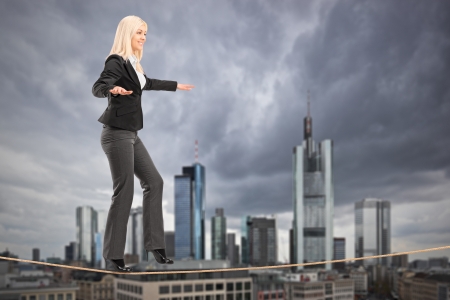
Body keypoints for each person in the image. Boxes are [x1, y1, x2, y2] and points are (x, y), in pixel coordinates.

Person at [92, 15, 194, 272]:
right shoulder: (115, 61)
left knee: (154, 182)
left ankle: (155, 247)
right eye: (139, 32)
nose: (143, 37)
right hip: (116, 134)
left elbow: (147, 83)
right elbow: (98, 86)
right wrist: (111, 90)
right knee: (124, 191)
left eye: (145, 33)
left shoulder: (134, 65)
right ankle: (114, 256)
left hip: (131, 134)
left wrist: (175, 85)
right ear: (127, 33)